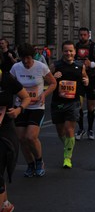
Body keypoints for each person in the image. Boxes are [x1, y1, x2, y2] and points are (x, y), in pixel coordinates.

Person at [10, 44, 57, 177]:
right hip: (20, 107)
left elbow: (53, 83)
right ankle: (30, 164)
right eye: (23, 58)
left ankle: (39, 161)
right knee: (21, 138)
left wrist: (44, 94)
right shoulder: (16, 68)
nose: (26, 61)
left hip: (36, 107)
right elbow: (9, 84)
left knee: (31, 136)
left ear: (33, 56)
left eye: (28, 58)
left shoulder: (41, 67)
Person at [0, 64, 30, 212]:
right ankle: (5, 205)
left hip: (4, 132)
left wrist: (19, 110)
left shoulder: (7, 79)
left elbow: (25, 97)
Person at [51, 41, 89, 169]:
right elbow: (46, 80)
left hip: (73, 102)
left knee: (69, 129)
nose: (69, 53)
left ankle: (67, 157)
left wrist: (86, 80)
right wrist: (53, 77)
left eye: (71, 51)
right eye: (66, 51)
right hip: (58, 102)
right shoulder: (55, 65)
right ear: (62, 51)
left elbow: (85, 77)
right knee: (60, 131)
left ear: (75, 52)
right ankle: (69, 144)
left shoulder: (80, 65)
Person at [74, 27, 95, 141]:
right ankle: (81, 129)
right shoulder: (75, 47)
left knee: (91, 106)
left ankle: (90, 129)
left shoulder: (94, 47)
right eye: (81, 35)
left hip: (91, 79)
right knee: (78, 106)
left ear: (88, 35)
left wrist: (91, 64)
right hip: (78, 79)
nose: (82, 37)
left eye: (84, 35)